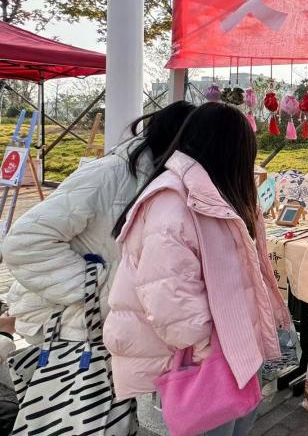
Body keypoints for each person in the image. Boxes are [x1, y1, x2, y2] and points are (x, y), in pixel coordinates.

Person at [104, 102, 290, 435]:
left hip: (234, 353)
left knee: (236, 424)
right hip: (211, 360)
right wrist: (210, 352)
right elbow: (168, 299)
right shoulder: (173, 201)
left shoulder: (215, 193)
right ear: (230, 152)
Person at [2, 100, 196, 345]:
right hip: (71, 325)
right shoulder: (109, 174)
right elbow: (24, 243)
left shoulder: (165, 179)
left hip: (109, 325)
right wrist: (101, 286)